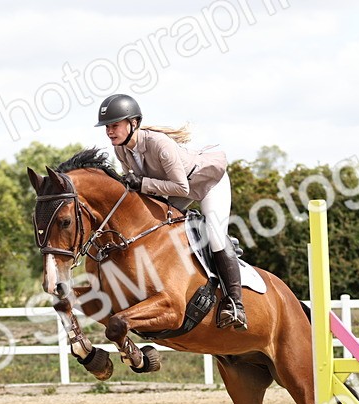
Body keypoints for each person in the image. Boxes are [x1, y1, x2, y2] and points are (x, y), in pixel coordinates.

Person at [95, 93, 247, 330]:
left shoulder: (160, 144)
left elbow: (181, 187)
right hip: (176, 186)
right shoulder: (121, 150)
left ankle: (235, 304)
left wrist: (142, 184)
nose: (109, 131)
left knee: (215, 236)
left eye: (114, 125)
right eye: (107, 127)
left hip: (207, 183)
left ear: (133, 123)